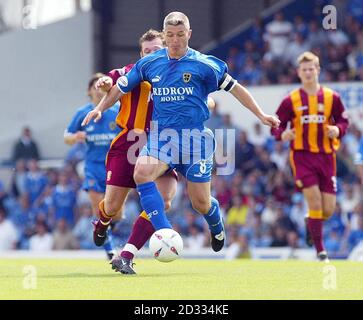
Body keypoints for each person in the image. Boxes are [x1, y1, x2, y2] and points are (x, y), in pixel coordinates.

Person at [82, 12, 279, 261]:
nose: (175, 40)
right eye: (171, 35)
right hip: (162, 137)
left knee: (200, 203)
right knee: (141, 172)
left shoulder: (205, 64)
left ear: (189, 34)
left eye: (180, 34)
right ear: (165, 36)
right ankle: (164, 232)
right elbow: (120, 86)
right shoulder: (149, 64)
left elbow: (236, 88)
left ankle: (215, 223)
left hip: (194, 139)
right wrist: (99, 108)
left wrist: (261, 115)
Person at [91, 29, 179, 274]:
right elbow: (112, 79)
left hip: (161, 144)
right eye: (147, 51)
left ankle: (127, 254)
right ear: (141, 54)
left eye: (157, 50)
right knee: (112, 206)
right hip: (128, 142)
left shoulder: (175, 74)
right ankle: (102, 222)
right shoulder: (131, 72)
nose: (152, 54)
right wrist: (105, 83)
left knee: (164, 200)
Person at [271, 51, 349, 262]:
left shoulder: (333, 97)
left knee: (328, 209)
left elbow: (343, 121)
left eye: (311, 68)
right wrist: (282, 134)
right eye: (303, 69)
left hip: (326, 156)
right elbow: (275, 126)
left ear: (318, 70)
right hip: (302, 157)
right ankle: (321, 251)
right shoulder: (291, 100)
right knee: (314, 202)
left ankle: (310, 222)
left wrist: (337, 130)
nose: (307, 72)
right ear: (298, 72)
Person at [64, 73, 120, 260]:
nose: (98, 88)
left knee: (116, 214)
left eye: (102, 84)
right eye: (94, 85)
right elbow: (67, 137)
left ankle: (110, 231)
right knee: (99, 209)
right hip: (92, 168)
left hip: (115, 167)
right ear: (89, 91)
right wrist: (75, 137)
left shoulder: (117, 110)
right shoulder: (82, 113)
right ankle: (111, 251)